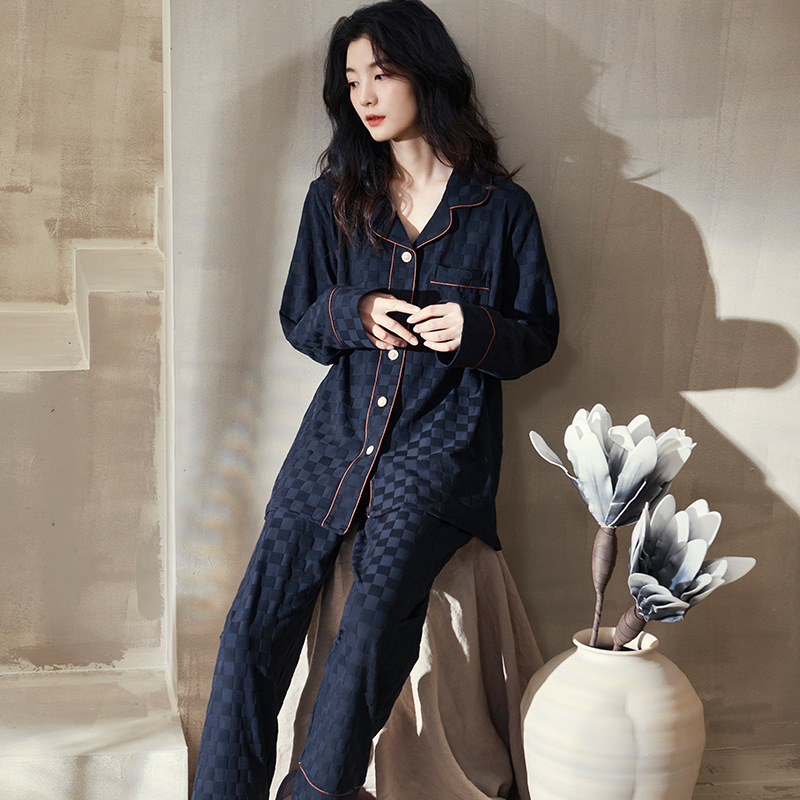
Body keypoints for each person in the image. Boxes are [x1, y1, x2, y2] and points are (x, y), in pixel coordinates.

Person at [190, 1, 558, 799]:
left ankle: (317, 792)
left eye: (381, 74)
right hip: (335, 435)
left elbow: (538, 337)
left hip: (441, 439)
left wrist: (475, 329)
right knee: (255, 617)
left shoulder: (501, 210)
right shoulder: (335, 200)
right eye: (352, 80)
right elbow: (300, 317)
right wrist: (354, 312)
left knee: (377, 606)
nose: (364, 94)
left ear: (427, 74)